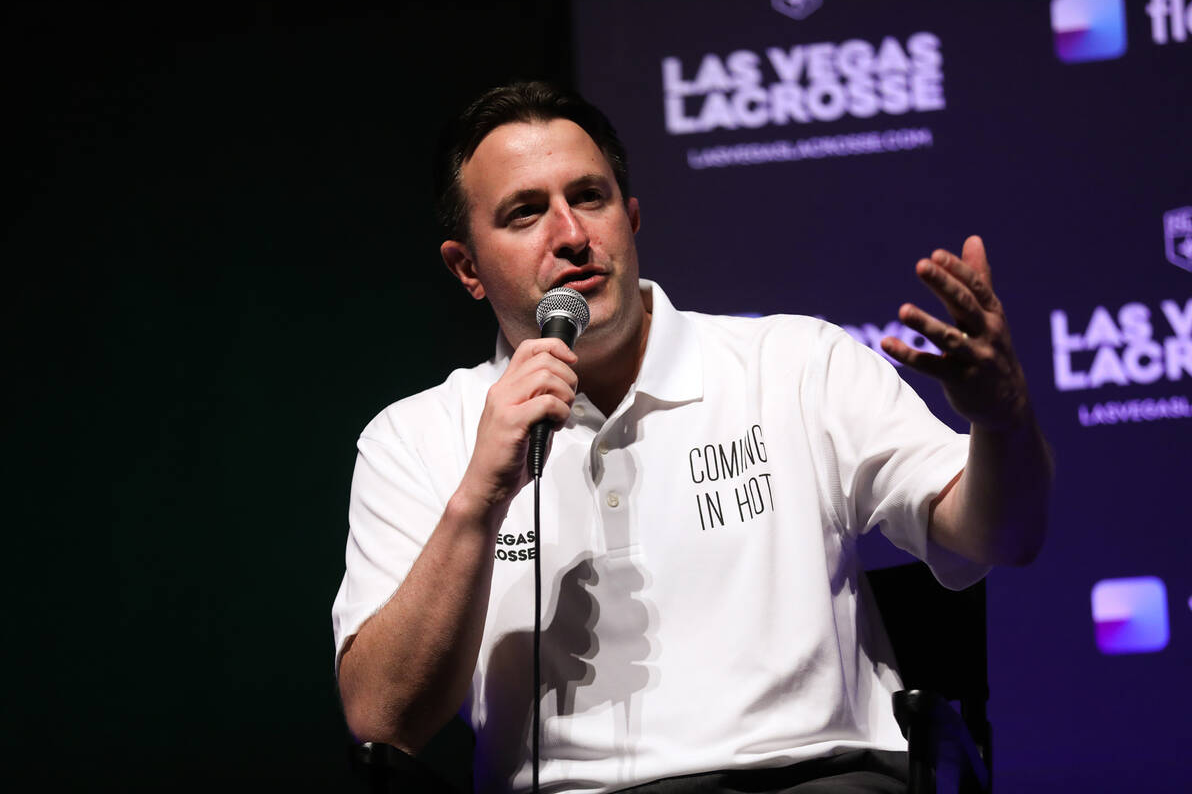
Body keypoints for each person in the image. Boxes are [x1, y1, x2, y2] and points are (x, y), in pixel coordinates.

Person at [331, 81, 1052, 794]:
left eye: (589, 197)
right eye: (525, 214)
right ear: (467, 269)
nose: (572, 234)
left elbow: (1001, 536)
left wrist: (1001, 419)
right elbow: (382, 720)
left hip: (816, 782)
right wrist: (479, 500)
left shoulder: (797, 364)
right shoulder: (415, 437)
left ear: (632, 216)